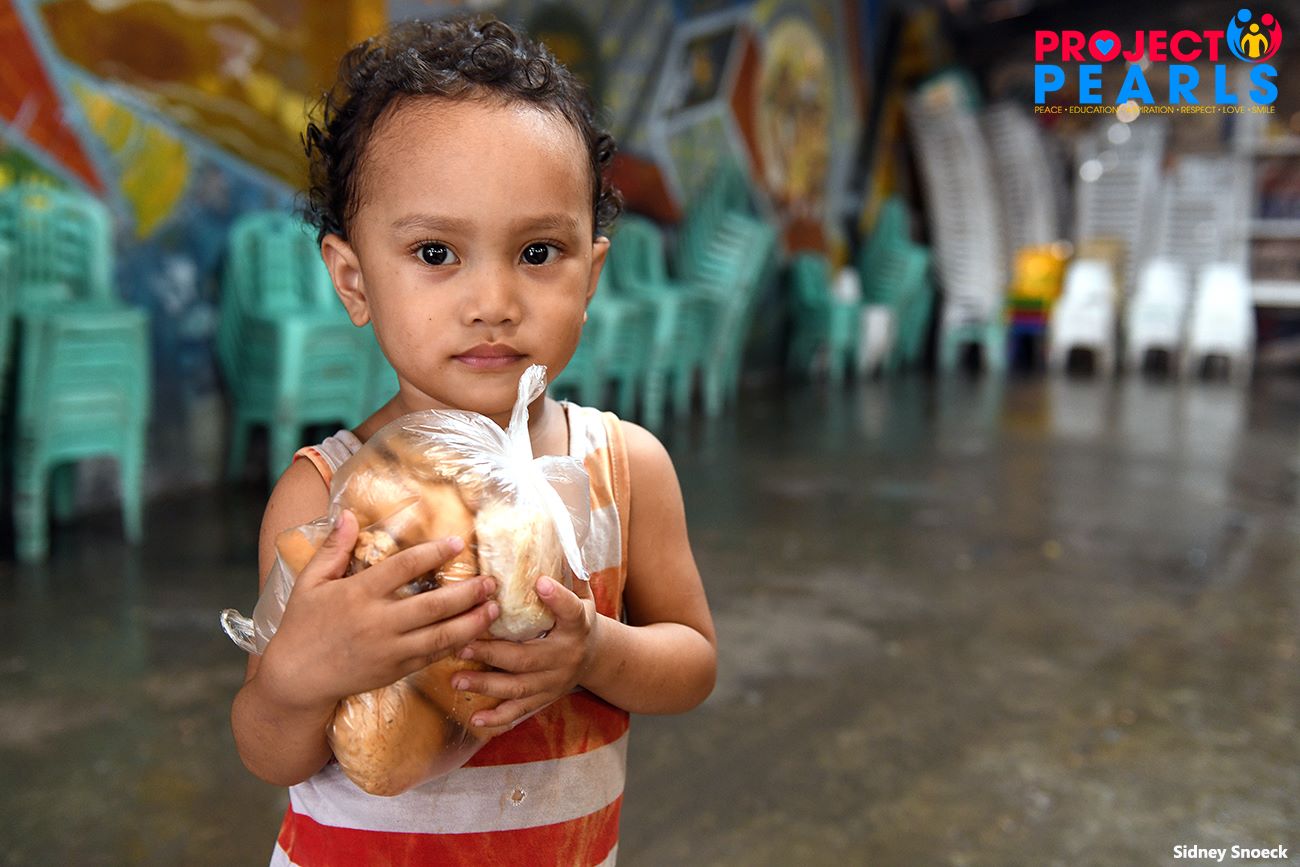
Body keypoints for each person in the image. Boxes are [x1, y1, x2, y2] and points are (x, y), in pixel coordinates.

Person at [229, 15, 717, 866]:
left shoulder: (624, 467)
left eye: (538, 251)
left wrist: (594, 650)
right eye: (435, 252)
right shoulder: (329, 494)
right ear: (354, 279)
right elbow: (270, 752)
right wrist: (301, 673)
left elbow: (692, 662)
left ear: (592, 274)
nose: (493, 301)